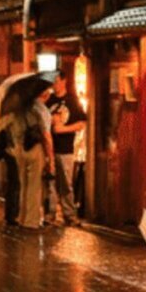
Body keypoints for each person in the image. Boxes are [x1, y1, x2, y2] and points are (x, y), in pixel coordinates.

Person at [44, 70, 86, 226]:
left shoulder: (72, 101)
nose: (54, 84)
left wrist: (63, 129)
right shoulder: (48, 101)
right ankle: (50, 214)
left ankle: (69, 214)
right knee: (50, 182)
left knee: (66, 183)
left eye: (56, 81)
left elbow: (82, 123)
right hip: (49, 148)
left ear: (64, 81)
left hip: (66, 148)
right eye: (52, 82)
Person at [7, 92, 54, 229]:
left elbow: (11, 132)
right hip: (34, 149)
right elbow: (46, 136)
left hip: (19, 150)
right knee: (34, 186)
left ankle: (21, 218)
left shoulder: (15, 112)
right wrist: (50, 158)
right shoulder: (38, 111)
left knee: (23, 185)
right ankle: (31, 221)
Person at [0, 125, 19, 226]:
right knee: (15, 185)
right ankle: (13, 214)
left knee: (13, 184)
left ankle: (11, 214)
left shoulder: (5, 119)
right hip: (14, 153)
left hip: (10, 153)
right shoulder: (14, 119)